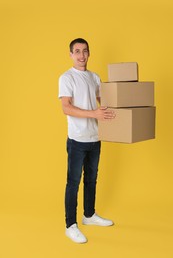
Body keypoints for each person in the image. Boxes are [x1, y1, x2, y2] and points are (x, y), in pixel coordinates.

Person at [58, 38, 115, 244]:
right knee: (73, 183)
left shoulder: (95, 77)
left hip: (95, 137)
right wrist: (94, 114)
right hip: (77, 139)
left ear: (89, 53)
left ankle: (89, 215)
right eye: (77, 51)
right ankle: (70, 225)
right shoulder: (67, 78)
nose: (81, 55)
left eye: (85, 51)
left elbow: (106, 102)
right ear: (71, 54)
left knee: (92, 179)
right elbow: (66, 107)